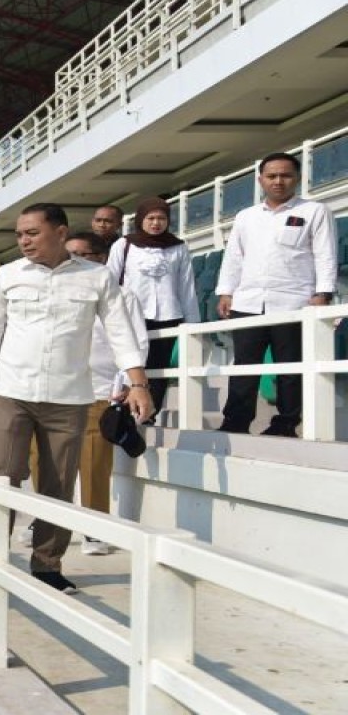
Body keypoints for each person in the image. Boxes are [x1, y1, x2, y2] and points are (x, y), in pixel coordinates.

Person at [0, 204, 152, 594]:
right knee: (3, 472)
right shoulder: (6, 276)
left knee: (59, 483)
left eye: (32, 233)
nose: (23, 241)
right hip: (10, 391)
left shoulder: (97, 277)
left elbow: (121, 331)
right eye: (19, 234)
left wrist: (138, 383)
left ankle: (47, 564)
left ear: (61, 232)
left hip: (70, 397)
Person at [216, 152, 339, 437]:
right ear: (260, 180)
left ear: (297, 178)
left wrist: (323, 293)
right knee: (244, 369)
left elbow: (325, 255)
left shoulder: (314, 211)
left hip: (294, 302)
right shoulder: (246, 217)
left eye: (285, 175)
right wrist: (225, 292)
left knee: (290, 369)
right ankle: (235, 422)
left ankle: (285, 425)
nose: (278, 181)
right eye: (272, 176)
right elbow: (234, 257)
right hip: (248, 302)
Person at [65, 232, 149, 554]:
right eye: (71, 254)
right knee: (47, 463)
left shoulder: (123, 296)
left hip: (101, 390)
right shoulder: (61, 293)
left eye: (84, 254)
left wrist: (124, 384)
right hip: (59, 391)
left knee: (94, 462)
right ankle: (47, 521)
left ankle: (94, 528)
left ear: (101, 258)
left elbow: (136, 342)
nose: (76, 260)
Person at [107, 197, 198, 422]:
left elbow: (186, 286)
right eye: (151, 218)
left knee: (159, 368)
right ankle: (125, 412)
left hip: (168, 314)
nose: (156, 223)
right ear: (140, 219)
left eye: (161, 218)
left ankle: (149, 414)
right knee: (133, 365)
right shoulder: (125, 244)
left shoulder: (178, 247)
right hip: (131, 315)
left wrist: (193, 323)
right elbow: (110, 280)